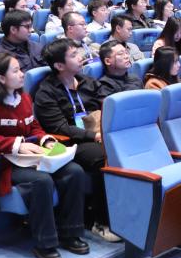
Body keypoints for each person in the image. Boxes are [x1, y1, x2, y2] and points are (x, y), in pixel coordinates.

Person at [0, 52, 89, 258]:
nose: (22, 74)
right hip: (5, 163)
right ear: (1, 78)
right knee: (41, 181)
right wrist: (17, 145)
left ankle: (70, 233)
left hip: (31, 157)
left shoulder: (23, 97)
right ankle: (45, 243)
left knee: (75, 171)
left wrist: (45, 140)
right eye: (16, 71)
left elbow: (33, 126)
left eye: (21, 69)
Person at [32, 38, 120, 243]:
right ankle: (100, 221)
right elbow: (59, 128)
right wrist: (94, 136)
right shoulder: (46, 91)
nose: (80, 57)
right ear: (59, 65)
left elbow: (106, 104)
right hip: (67, 142)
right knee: (103, 157)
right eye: (73, 55)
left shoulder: (87, 81)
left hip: (96, 133)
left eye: (78, 52)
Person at [82, 41, 141, 110]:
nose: (126, 56)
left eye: (126, 52)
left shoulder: (135, 78)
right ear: (107, 61)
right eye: (121, 54)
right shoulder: (103, 87)